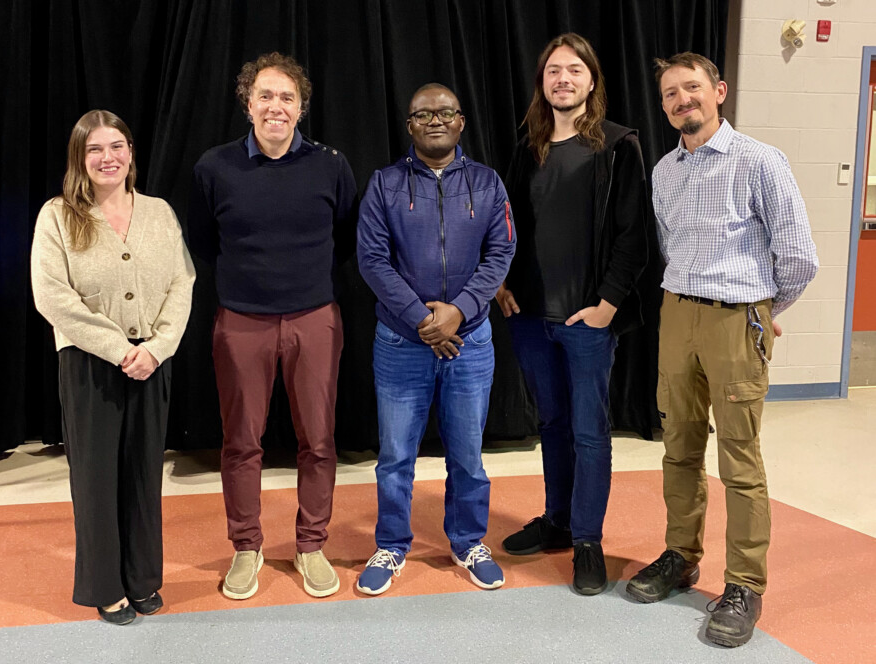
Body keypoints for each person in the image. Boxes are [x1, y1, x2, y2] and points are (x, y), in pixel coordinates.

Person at [625, 52, 818, 647]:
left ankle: (743, 586)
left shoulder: (761, 161)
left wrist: (764, 312)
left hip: (738, 321)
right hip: (677, 314)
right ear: (662, 106)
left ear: (719, 91)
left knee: (740, 460)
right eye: (671, 94)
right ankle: (681, 556)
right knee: (678, 450)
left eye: (692, 88)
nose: (683, 100)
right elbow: (668, 246)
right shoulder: (663, 171)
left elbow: (799, 258)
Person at [187, 52, 357, 600]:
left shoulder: (332, 165)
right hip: (240, 322)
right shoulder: (214, 168)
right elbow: (204, 244)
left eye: (286, 97)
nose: (275, 106)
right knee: (240, 443)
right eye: (265, 95)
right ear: (248, 103)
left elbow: (347, 240)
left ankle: (311, 546)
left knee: (320, 441)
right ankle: (246, 547)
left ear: (301, 106)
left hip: (314, 319)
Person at [496, 33, 649, 595]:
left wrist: (607, 305)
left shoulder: (617, 145)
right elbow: (503, 223)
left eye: (574, 70)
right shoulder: (526, 146)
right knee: (552, 425)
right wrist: (501, 284)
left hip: (587, 320)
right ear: (543, 82)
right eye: (553, 70)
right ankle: (557, 521)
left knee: (590, 432)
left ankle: (588, 538)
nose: (563, 78)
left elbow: (635, 236)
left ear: (591, 80)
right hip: (531, 317)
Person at [31, 110, 195, 625]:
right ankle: (106, 585)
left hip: (152, 362)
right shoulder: (57, 216)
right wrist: (118, 348)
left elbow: (181, 283)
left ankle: (143, 578)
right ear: (80, 158)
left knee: (144, 476)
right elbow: (51, 297)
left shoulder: (160, 212)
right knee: (98, 480)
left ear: (130, 153)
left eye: (117, 146)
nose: (108, 158)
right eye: (95, 149)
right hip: (91, 365)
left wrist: (158, 347)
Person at [355, 83, 516, 595]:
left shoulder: (489, 184)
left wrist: (459, 313)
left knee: (468, 455)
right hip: (401, 343)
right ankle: (391, 544)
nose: (434, 120)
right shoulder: (383, 184)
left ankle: (468, 541)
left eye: (445, 112)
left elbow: (500, 255)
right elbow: (372, 260)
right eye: (423, 114)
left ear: (460, 121)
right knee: (396, 456)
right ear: (410, 125)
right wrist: (423, 323)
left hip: (470, 342)